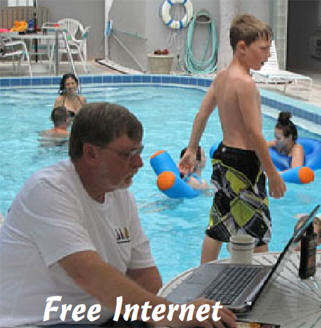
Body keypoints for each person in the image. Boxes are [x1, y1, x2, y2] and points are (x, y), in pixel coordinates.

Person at [0, 103, 236, 327]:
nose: (139, 163)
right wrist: (174, 313)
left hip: (105, 319)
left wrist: (177, 317)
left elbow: (145, 276)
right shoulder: (48, 190)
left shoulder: (120, 195)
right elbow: (88, 274)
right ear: (91, 153)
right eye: (128, 154)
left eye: (139, 152)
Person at [179, 14, 286, 264]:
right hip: (245, 164)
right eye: (263, 49)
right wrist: (271, 173)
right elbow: (255, 133)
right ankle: (259, 289)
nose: (267, 55)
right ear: (242, 47)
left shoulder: (222, 77)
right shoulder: (245, 83)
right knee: (258, 232)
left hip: (224, 158)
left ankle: (204, 276)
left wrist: (192, 149)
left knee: (218, 225)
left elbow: (202, 114)